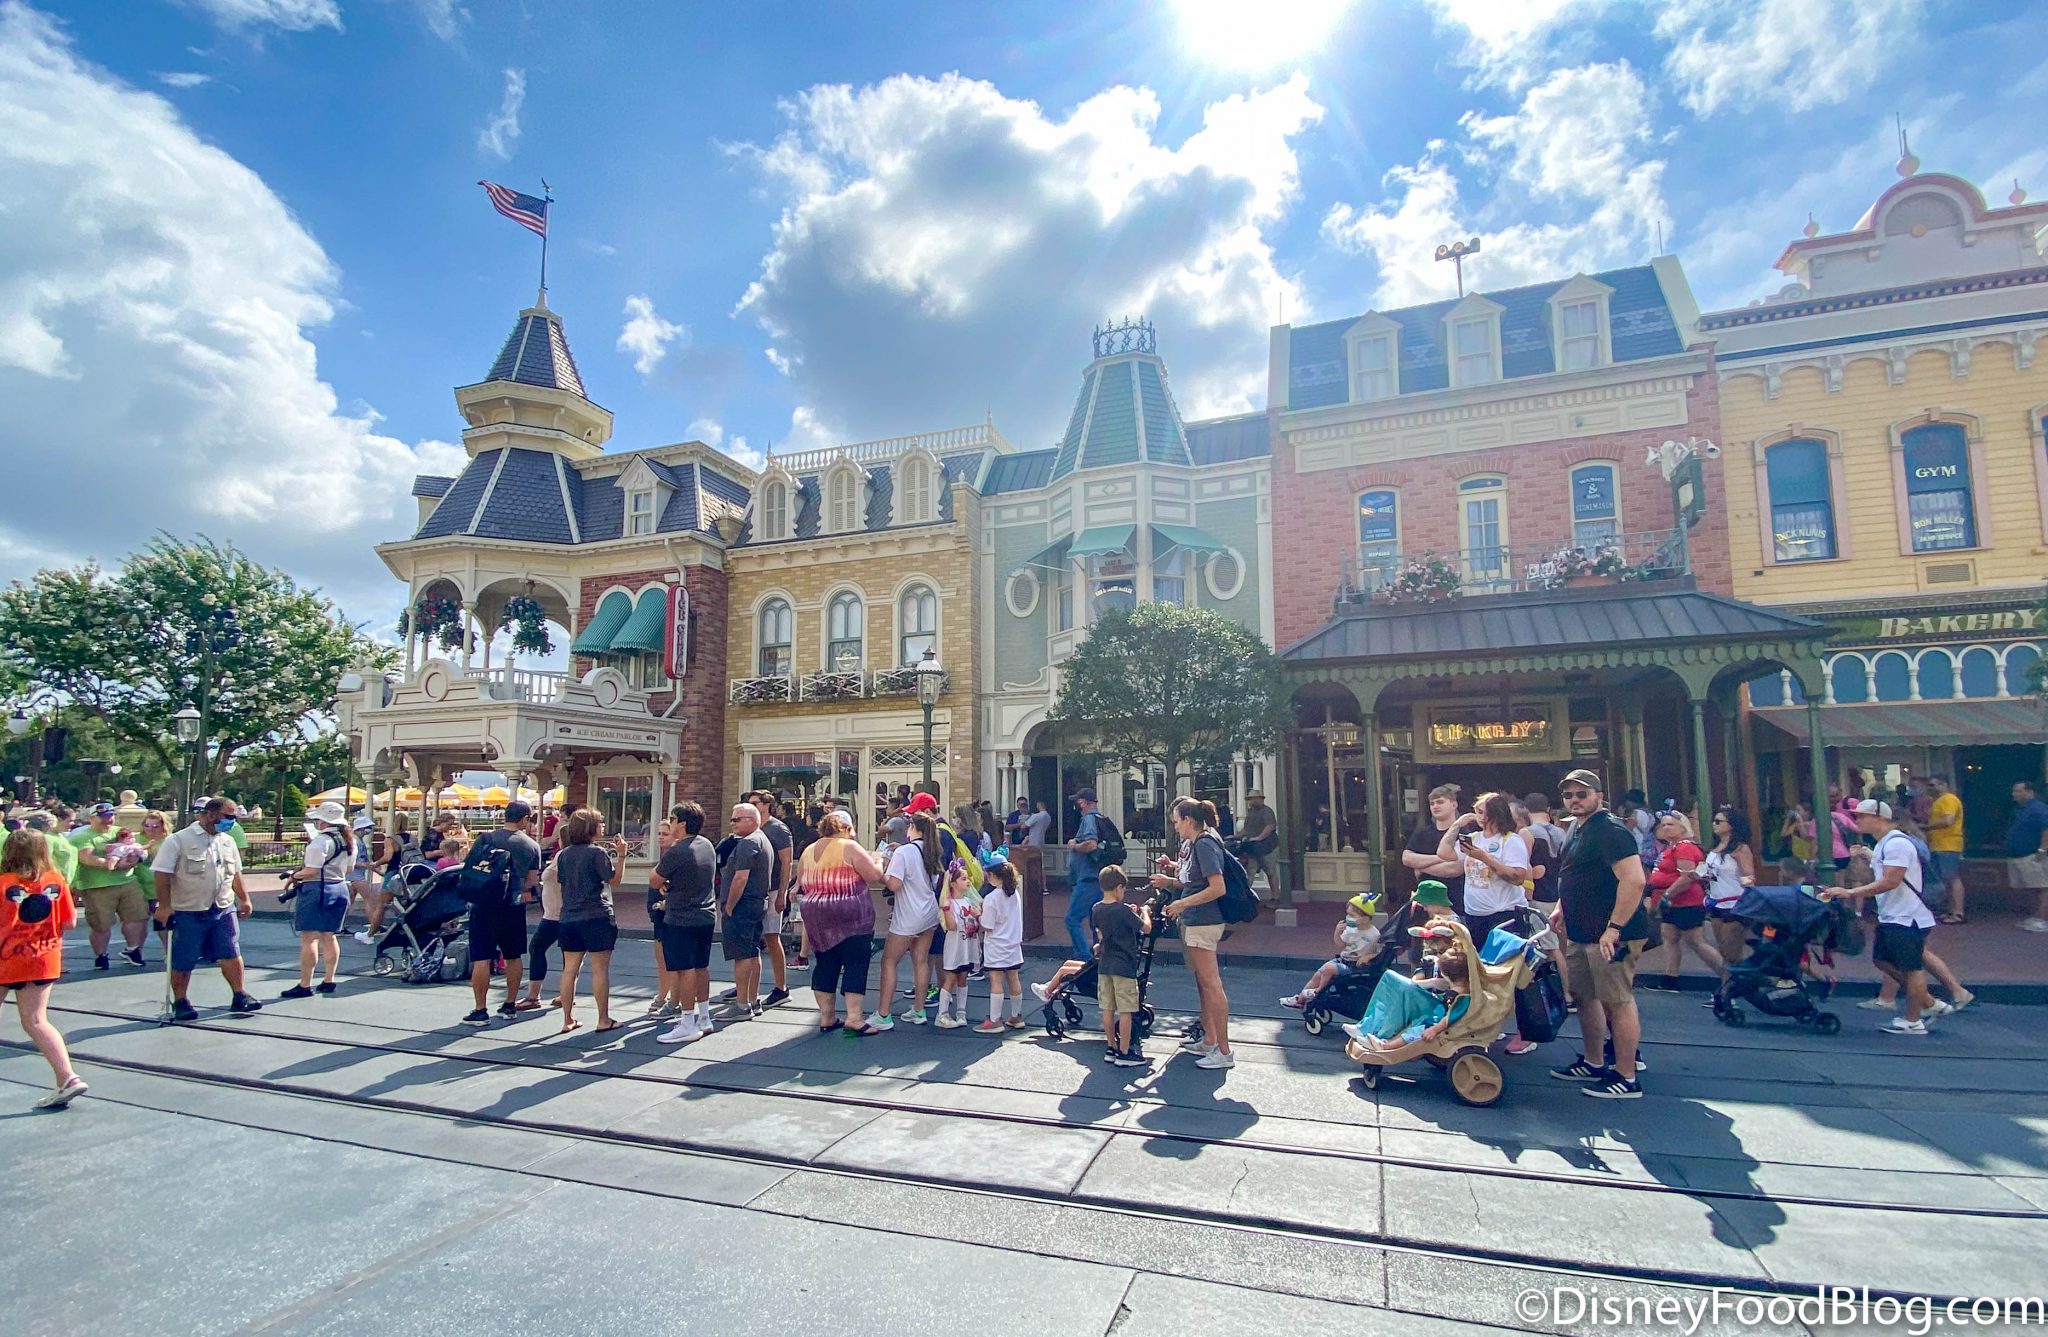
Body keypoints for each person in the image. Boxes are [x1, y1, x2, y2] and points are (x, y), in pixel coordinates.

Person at [1546, 770, 1649, 1099]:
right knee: (1584, 996)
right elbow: (1574, 873)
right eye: (1568, 795)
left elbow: (1634, 880)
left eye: (1581, 794)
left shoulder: (1611, 831)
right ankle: (1594, 1061)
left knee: (1617, 1000)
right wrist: (1562, 906)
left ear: (1598, 796)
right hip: (1581, 930)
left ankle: (1626, 1075)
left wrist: (1615, 928)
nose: (1574, 800)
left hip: (1610, 934)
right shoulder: (1576, 828)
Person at [1825, 800, 1940, 1035]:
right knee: (1882, 960)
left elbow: (1890, 881)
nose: (1858, 822)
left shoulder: (1897, 843)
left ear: (1880, 818)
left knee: (1911, 968)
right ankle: (1926, 1002)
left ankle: (1914, 1020)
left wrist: (1851, 892)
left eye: (1862, 817)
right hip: (1892, 914)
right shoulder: (1883, 844)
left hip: (1907, 915)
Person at [1439, 792, 1536, 1054]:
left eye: (1480, 811)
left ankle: (1527, 1033)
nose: (1477, 816)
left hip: (1504, 914)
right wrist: (1458, 825)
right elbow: (1444, 852)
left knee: (1512, 974)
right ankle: (1488, 1023)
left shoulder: (1511, 841)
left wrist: (1484, 858)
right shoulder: (1474, 838)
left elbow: (1517, 877)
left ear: (1494, 813)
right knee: (1479, 971)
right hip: (1476, 915)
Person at [150, 795, 262, 1022]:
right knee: (184, 957)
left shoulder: (227, 841)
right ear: (210, 814)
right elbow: (162, 875)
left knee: (231, 951)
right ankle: (181, 1000)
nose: (231, 821)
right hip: (188, 909)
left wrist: (245, 899)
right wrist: (165, 906)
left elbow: (235, 874)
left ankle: (240, 994)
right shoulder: (179, 840)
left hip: (222, 906)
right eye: (228, 816)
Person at [0, 828, 88, 1109]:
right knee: (36, 1020)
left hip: (6, 956)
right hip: (43, 957)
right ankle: (67, 1077)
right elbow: (70, 922)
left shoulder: (3, 883)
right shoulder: (55, 881)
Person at [783, 808, 884, 1038]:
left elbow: (801, 881)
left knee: (825, 962)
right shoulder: (849, 847)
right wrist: (881, 861)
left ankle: (827, 1016)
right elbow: (872, 876)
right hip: (850, 914)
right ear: (847, 829)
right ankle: (854, 1018)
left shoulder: (809, 850)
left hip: (817, 914)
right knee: (855, 963)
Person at [1152, 796, 1235, 1070]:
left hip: (1203, 920)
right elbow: (1193, 878)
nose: (1175, 827)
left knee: (1211, 984)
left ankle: (1223, 1051)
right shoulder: (1199, 842)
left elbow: (1217, 887)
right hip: (1196, 919)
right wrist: (1173, 872)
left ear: (1188, 820)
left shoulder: (1205, 843)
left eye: (1176, 821)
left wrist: (1182, 903)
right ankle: (1210, 1040)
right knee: (1204, 983)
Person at [459, 801, 540, 1025]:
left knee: (482, 957)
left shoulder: (486, 839)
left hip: (484, 904)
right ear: (524, 818)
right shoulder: (532, 846)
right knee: (513, 956)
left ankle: (480, 1009)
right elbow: (532, 881)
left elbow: (469, 866)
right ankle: (510, 1004)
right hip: (513, 904)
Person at [553, 810, 626, 1035]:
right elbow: (615, 880)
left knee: (570, 970)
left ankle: (567, 1019)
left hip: (569, 917)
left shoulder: (564, 855)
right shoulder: (597, 852)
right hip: (596, 915)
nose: (603, 826)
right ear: (590, 828)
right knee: (599, 970)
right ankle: (603, 1019)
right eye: (600, 823)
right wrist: (621, 855)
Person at [871, 810, 943, 1030]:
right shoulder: (931, 850)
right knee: (921, 961)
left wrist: (880, 868)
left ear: (913, 828)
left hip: (908, 915)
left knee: (889, 961)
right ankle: (919, 1010)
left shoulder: (905, 852)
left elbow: (894, 885)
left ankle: (883, 1014)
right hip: (929, 912)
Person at [277, 801, 353, 999]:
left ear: (322, 821)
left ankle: (305, 984)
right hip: (340, 887)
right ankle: (329, 979)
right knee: (330, 935)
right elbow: (350, 869)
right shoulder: (348, 841)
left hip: (319, 889)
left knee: (309, 937)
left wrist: (294, 876)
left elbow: (311, 870)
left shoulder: (321, 841)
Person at [1644, 812, 1726, 994]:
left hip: (1687, 901)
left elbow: (1688, 877)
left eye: (1671, 825)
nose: (1666, 828)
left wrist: (1667, 894)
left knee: (1695, 941)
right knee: (1669, 936)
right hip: (1672, 904)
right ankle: (1670, 979)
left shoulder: (1685, 847)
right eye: (1663, 825)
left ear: (1683, 828)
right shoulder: (1670, 848)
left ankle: (1729, 977)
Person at [1345, 934, 1472, 1052]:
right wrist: (1432, 982)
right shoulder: (1429, 963)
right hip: (1431, 1014)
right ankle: (1367, 1027)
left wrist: (1435, 1029)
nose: (1436, 954)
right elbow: (1416, 981)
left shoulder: (1459, 994)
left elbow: (1452, 1015)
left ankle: (1382, 1040)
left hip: (1433, 1013)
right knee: (1389, 977)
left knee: (1412, 1027)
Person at [69, 802, 149, 971]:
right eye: (103, 817)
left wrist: (136, 859)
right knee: (101, 924)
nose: (108, 820)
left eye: (111, 816)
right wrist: (113, 864)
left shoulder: (120, 832)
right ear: (92, 818)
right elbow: (87, 858)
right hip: (98, 886)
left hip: (127, 882)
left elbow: (137, 848)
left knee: (137, 917)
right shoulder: (83, 836)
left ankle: (134, 950)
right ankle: (101, 956)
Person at [718, 801, 775, 1018]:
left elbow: (740, 878)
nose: (732, 823)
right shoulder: (762, 839)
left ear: (751, 820)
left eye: (736, 819)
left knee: (741, 955)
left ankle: (742, 1005)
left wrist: (729, 906)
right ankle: (753, 1000)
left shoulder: (748, 843)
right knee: (752, 951)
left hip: (743, 905)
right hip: (756, 903)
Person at [1091, 865, 1150, 1064]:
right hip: (1124, 966)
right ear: (1118, 888)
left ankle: (1111, 1046)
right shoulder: (1123, 910)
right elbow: (1146, 928)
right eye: (1123, 889)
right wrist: (1144, 912)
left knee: (1107, 1008)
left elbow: (1101, 934)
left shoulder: (1096, 908)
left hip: (1105, 965)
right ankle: (1125, 1052)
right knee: (1126, 1010)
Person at [1281, 893, 1380, 1009]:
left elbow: (1380, 951)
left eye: (1352, 916)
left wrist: (1369, 956)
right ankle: (1300, 999)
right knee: (1318, 974)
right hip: (1343, 960)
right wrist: (1337, 932)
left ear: (1365, 919)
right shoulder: (1350, 930)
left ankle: (1317, 992)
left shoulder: (1374, 934)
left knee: (1328, 969)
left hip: (1355, 966)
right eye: (1348, 915)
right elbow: (1341, 944)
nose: (1349, 918)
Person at [748, 790, 795, 1008]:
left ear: (767, 805)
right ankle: (747, 986)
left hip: (773, 887)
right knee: (752, 938)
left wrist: (783, 892)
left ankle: (781, 987)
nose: (751, 806)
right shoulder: (751, 827)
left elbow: (787, 862)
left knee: (771, 936)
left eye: (755, 803)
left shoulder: (777, 829)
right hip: (755, 888)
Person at [1699, 806, 1756, 966]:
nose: (1714, 824)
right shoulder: (1713, 849)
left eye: (1718, 821)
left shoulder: (1740, 849)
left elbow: (1749, 876)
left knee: (1732, 950)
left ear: (1731, 825)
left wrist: (1747, 878)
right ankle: (1730, 983)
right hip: (1716, 901)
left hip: (1735, 903)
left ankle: (1740, 982)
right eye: (1713, 821)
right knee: (1723, 950)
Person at [1403, 785, 1467, 917]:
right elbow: (1407, 859)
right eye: (1432, 803)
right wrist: (1441, 858)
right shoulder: (1422, 832)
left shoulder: (1465, 833)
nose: (1435, 806)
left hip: (1455, 903)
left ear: (1454, 805)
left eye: (1440, 802)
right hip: (1424, 904)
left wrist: (1421, 866)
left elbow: (1454, 869)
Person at [934, 859, 982, 1029]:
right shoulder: (950, 904)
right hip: (955, 947)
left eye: (967, 878)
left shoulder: (969, 902)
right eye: (963, 878)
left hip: (967, 946)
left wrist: (977, 917)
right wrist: (946, 910)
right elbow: (952, 926)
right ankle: (942, 1013)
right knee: (951, 978)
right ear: (953, 884)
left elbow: (978, 926)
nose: (968, 881)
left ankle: (961, 1012)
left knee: (963, 977)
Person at [979, 857, 1025, 1031]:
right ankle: (1016, 1015)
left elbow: (987, 925)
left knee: (996, 980)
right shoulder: (1014, 893)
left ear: (992, 875)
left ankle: (994, 1019)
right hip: (1013, 942)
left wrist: (978, 914)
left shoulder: (992, 898)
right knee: (1013, 977)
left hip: (997, 944)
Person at [1064, 786, 1105, 958]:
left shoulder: (1088, 819)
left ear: (1082, 802)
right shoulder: (1100, 819)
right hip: (1098, 878)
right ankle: (1099, 956)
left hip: (1088, 878)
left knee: (1072, 919)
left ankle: (1084, 959)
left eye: (1077, 802)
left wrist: (1074, 845)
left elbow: (1091, 844)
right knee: (1096, 922)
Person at [1923, 775, 1966, 924]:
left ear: (1943, 785)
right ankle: (1950, 910)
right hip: (1938, 844)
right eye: (1929, 785)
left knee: (1952, 877)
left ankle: (1958, 912)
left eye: (1933, 785)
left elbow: (1948, 820)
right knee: (1945, 879)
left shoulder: (1949, 799)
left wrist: (1925, 827)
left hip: (1948, 844)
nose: (1930, 788)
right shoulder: (1937, 802)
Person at [2006, 781, 2048, 932]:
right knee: (2030, 887)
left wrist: (2042, 850)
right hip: (2018, 854)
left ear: (2029, 792)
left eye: (2018, 791)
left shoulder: (2038, 809)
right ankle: (2035, 916)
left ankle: (2042, 919)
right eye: (2014, 791)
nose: (2014, 794)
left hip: (2033, 855)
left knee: (2042, 887)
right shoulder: (2019, 809)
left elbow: (2046, 829)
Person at [1235, 790, 1280, 889]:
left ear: (1260, 799)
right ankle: (1247, 897)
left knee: (1270, 872)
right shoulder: (1250, 812)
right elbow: (1247, 829)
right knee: (1250, 870)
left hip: (1268, 847)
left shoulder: (1267, 811)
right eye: (1250, 799)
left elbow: (1270, 826)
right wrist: (1236, 836)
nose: (1251, 801)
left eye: (1253, 799)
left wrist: (1259, 838)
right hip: (1254, 848)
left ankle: (1275, 898)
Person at [349, 813, 382, 944]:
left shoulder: (358, 841)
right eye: (367, 827)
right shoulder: (355, 841)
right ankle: (374, 925)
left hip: (357, 873)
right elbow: (352, 861)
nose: (369, 830)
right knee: (370, 898)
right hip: (355, 874)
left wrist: (374, 868)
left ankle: (337, 924)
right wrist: (369, 866)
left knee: (349, 899)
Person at [1617, 789, 1658, 867]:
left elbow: (1626, 830)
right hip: (1647, 847)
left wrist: (1621, 816)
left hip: (1638, 846)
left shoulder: (1636, 813)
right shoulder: (1649, 812)